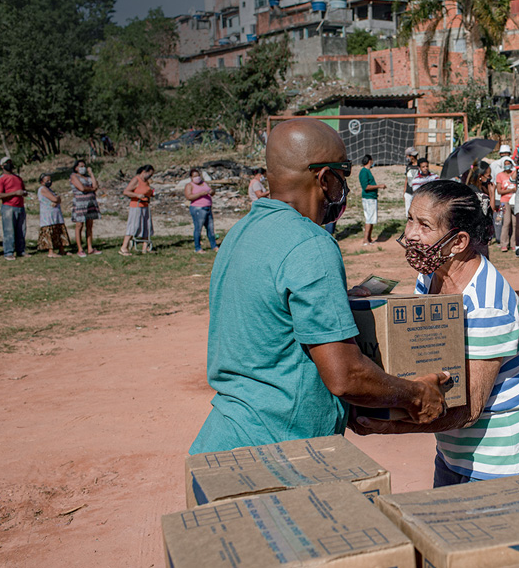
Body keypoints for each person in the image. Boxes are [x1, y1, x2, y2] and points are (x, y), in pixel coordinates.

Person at [189, 118, 447, 454]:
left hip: (224, 440)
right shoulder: (311, 244)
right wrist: (416, 394)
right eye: (343, 176)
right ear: (325, 178)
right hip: (281, 451)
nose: (343, 189)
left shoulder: (241, 232)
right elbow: (346, 377)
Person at [354, 180, 519, 484]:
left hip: (500, 460)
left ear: (458, 242)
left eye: (424, 225)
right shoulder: (430, 274)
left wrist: (392, 426)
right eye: (409, 219)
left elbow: (469, 409)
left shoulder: (487, 305)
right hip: (452, 452)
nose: (410, 234)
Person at [0, 158, 28, 260]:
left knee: (21, 230)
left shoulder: (18, 178)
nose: (9, 165)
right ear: (2, 166)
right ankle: (8, 252)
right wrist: (15, 193)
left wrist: (24, 193)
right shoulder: (1, 179)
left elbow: (23, 189)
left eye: (10, 162)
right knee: (9, 230)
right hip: (8, 207)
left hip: (20, 206)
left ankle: (21, 250)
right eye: (6, 163)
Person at [120, 165, 155, 255]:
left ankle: (145, 247)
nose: (150, 176)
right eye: (149, 174)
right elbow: (126, 191)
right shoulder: (136, 179)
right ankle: (124, 247)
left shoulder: (146, 182)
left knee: (147, 226)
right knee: (133, 226)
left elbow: (146, 190)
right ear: (144, 172)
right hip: (136, 205)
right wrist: (137, 195)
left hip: (145, 205)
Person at [70, 159, 101, 257]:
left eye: (84, 166)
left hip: (90, 203)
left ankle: (90, 247)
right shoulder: (74, 176)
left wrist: (91, 173)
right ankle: (80, 248)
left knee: (89, 225)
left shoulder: (87, 177)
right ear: (76, 168)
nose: (82, 168)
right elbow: (81, 188)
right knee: (79, 225)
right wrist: (91, 189)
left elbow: (95, 185)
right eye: (80, 166)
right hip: (80, 203)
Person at [186, 168, 218, 254]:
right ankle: (198, 247)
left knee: (210, 228)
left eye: (198, 175)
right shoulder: (190, 185)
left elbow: (212, 191)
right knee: (198, 228)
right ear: (191, 177)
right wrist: (200, 194)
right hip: (198, 208)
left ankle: (214, 246)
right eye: (195, 176)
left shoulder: (204, 183)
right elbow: (188, 197)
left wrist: (211, 192)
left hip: (207, 207)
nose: (197, 178)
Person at [37, 173, 69, 257]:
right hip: (47, 215)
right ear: (42, 182)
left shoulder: (50, 190)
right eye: (47, 180)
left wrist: (57, 199)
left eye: (50, 180)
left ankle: (61, 250)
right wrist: (57, 199)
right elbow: (55, 198)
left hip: (55, 214)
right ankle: (50, 252)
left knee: (58, 230)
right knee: (49, 231)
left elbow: (58, 199)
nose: (49, 182)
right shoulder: (42, 189)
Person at [358, 155, 385, 246]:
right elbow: (366, 186)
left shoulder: (367, 171)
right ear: (369, 161)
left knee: (372, 218)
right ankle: (365, 239)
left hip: (372, 197)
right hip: (368, 198)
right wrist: (379, 186)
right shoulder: (364, 172)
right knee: (369, 218)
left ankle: (369, 238)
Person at [495, 158, 516, 251]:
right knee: (506, 222)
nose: (507, 165)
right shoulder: (500, 175)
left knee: (515, 223)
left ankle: (514, 243)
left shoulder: (514, 174)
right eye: (505, 164)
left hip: (514, 201)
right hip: (504, 201)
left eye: (509, 163)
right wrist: (510, 190)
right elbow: (499, 191)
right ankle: (504, 243)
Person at [403, 147, 420, 217]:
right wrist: (404, 192)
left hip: (417, 191)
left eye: (408, 156)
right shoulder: (408, 166)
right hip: (409, 191)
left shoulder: (420, 166)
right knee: (408, 210)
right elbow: (406, 179)